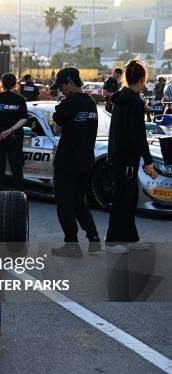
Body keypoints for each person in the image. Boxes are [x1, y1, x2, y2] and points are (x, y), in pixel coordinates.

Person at [104, 60, 158, 254]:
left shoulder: (123, 98)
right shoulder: (133, 101)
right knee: (123, 199)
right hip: (126, 158)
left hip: (118, 155)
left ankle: (130, 239)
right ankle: (112, 241)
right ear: (142, 78)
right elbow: (138, 134)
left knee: (129, 197)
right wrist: (149, 160)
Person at [48, 67, 100, 257]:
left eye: (61, 86)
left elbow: (58, 128)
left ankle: (71, 245)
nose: (61, 90)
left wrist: (61, 109)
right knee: (79, 202)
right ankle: (93, 238)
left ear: (70, 82)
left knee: (64, 204)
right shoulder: (91, 103)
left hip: (67, 161)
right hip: (86, 161)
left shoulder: (67, 104)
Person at [0, 73, 28, 191]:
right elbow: (24, 119)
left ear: (2, 84)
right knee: (17, 170)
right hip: (14, 139)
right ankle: (19, 197)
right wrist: (11, 130)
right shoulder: (20, 99)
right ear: (15, 84)